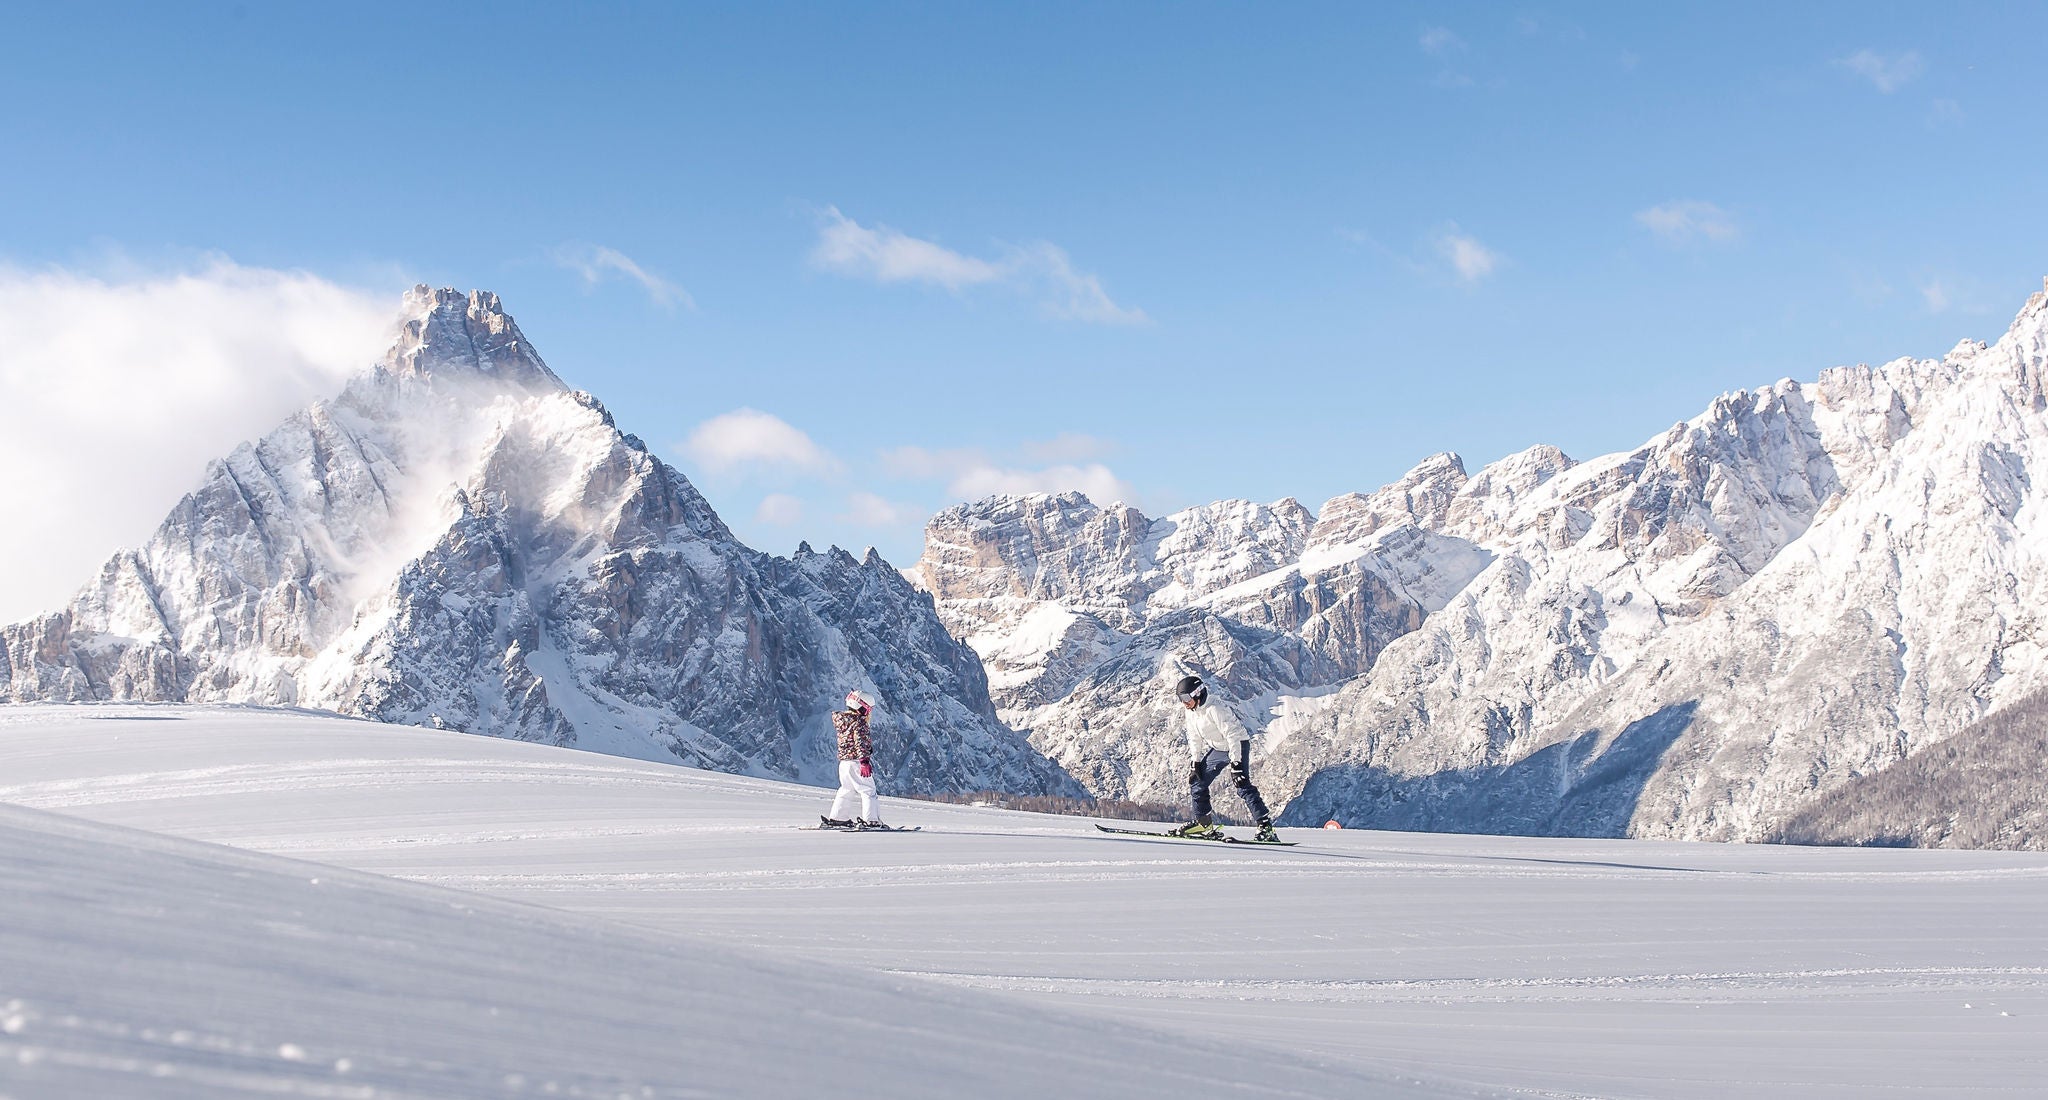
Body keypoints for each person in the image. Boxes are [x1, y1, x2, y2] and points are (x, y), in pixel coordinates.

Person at [1171, 674, 1278, 842]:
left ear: (1197, 693)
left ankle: (1266, 828)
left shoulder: (1215, 709)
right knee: (1197, 782)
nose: (1183, 702)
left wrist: (1236, 764)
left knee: (1241, 784)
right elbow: (1194, 737)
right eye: (1180, 698)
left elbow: (1233, 736)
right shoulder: (1191, 712)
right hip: (1219, 748)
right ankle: (1204, 824)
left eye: (1185, 697)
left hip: (1237, 744)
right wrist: (1195, 761)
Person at [821, 689, 886, 829]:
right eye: (868, 709)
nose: (869, 712)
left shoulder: (843, 721)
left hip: (844, 763)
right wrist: (864, 761)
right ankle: (872, 821)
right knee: (868, 790)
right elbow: (860, 743)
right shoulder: (859, 723)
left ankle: (838, 817)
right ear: (861, 707)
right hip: (857, 762)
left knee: (846, 790)